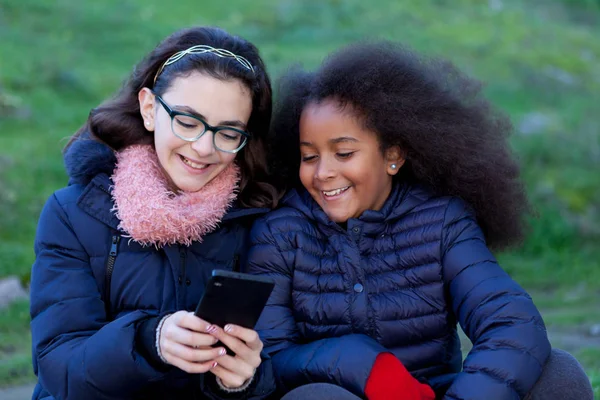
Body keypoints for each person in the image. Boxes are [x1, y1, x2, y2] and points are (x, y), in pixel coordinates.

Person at [246, 41, 594, 399]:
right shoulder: (279, 233)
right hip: (341, 394)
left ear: (393, 155)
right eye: (309, 156)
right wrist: (357, 364)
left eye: (344, 153)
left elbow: (513, 325)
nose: (323, 172)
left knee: (560, 373)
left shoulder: (443, 221)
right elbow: (270, 358)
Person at [30, 26, 283, 400]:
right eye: (187, 121)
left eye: (228, 133)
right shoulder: (72, 214)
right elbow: (59, 369)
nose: (203, 147)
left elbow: (281, 358)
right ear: (150, 109)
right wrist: (150, 340)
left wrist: (243, 382)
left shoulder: (260, 218)